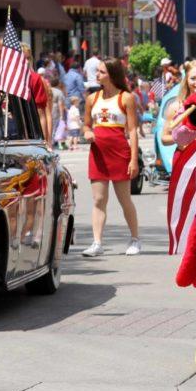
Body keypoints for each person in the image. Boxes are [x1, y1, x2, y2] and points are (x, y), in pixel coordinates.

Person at [81, 58, 140, 257]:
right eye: (97, 71)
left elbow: (132, 130)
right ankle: (97, 242)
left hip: (119, 152)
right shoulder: (92, 99)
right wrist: (87, 132)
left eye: (101, 72)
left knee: (125, 199)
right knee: (98, 199)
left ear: (112, 74)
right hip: (98, 153)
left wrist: (133, 159)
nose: (97, 75)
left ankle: (135, 239)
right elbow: (86, 124)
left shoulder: (126, 98)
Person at [161, 61, 196, 146]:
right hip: (186, 156)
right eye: (193, 78)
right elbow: (164, 138)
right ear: (186, 80)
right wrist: (181, 137)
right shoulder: (176, 106)